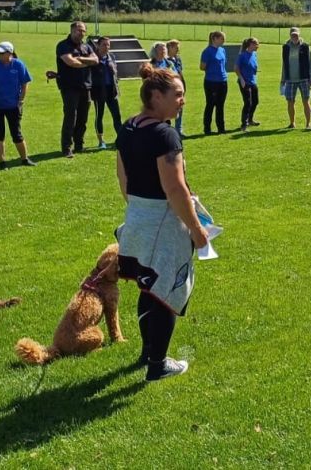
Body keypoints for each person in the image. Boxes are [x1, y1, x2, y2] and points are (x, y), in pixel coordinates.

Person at [115, 64, 208, 382]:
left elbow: (122, 177)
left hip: (137, 219)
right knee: (167, 292)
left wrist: (137, 210)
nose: (183, 100)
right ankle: (158, 364)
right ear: (156, 96)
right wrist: (197, 232)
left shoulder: (128, 127)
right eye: (178, 95)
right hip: (164, 224)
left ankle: (148, 352)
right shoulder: (165, 134)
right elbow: (175, 189)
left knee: (148, 286)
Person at [0, 42, 36, 168]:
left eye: (1, 52)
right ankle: (2, 161)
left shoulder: (18, 64)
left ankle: (24, 159)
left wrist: (21, 100)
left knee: (16, 133)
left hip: (13, 106)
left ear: (9, 53)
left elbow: (25, 83)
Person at [56, 21, 98, 158]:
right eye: (78, 30)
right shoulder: (63, 45)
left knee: (83, 118)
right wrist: (86, 62)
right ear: (72, 30)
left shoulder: (87, 46)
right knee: (70, 117)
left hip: (86, 86)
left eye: (83, 31)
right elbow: (70, 62)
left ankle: (79, 145)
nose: (81, 33)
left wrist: (80, 58)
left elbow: (96, 60)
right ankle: (67, 148)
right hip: (69, 87)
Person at [91, 36, 122, 149]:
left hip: (111, 91)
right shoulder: (93, 57)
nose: (106, 47)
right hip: (98, 91)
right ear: (98, 45)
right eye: (104, 44)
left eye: (108, 44)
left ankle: (121, 138)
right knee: (100, 116)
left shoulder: (111, 56)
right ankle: (101, 141)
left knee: (117, 116)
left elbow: (115, 73)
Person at [281, 27, 311, 129]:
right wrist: (283, 78)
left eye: (296, 35)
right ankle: (292, 123)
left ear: (299, 35)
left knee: (306, 101)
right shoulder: (285, 47)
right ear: (290, 35)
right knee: (290, 102)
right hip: (290, 79)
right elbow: (284, 64)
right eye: (292, 35)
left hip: (304, 78)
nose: (294, 36)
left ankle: (308, 123)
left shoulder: (305, 47)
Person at [199, 31, 228, 134]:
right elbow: (202, 67)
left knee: (220, 105)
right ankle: (207, 129)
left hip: (223, 81)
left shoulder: (222, 50)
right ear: (214, 39)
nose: (223, 41)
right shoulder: (207, 51)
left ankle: (221, 128)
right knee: (210, 104)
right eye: (222, 38)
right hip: (211, 81)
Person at [235, 37, 260, 131]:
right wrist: (241, 79)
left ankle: (250, 120)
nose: (258, 46)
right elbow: (236, 68)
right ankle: (244, 125)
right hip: (244, 82)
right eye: (256, 44)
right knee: (248, 103)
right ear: (250, 45)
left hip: (253, 81)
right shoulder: (242, 55)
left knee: (255, 101)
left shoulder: (254, 54)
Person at [167, 39, 185, 135]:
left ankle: (179, 130)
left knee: (180, 108)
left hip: (179, 86)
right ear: (170, 47)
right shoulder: (166, 61)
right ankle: (168, 130)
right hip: (170, 88)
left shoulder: (178, 59)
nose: (178, 49)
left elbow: (180, 72)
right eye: (176, 48)